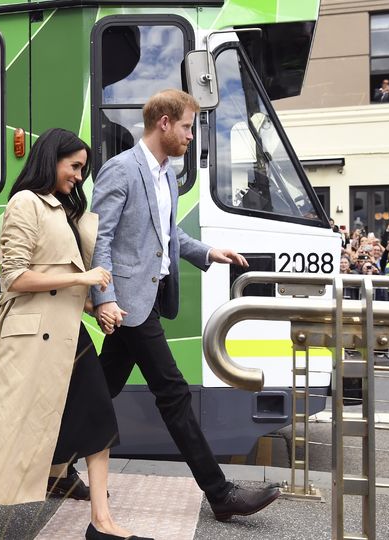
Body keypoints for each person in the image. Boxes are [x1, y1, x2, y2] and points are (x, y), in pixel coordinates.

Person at [0, 128, 151, 540]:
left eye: (83, 169)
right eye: (74, 166)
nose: (79, 176)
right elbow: (14, 278)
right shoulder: (26, 203)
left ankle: (102, 523)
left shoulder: (63, 210)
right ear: (51, 159)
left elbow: (63, 279)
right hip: (29, 340)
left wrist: (96, 308)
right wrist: (86, 276)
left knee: (99, 418)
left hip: (68, 336)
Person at [90, 89, 280, 522]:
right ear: (163, 123)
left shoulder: (167, 176)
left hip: (145, 302)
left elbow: (168, 234)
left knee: (94, 396)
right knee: (173, 393)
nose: (191, 136)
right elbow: (100, 239)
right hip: (127, 306)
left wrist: (211, 252)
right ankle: (221, 494)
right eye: (187, 127)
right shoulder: (121, 171)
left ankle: (49, 468)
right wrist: (105, 300)